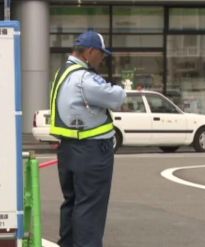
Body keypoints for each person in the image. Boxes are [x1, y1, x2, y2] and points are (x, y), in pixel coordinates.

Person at [49, 30, 126, 247]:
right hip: (91, 152)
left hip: (68, 149)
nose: (102, 59)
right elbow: (115, 97)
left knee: (72, 204)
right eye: (101, 54)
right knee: (90, 208)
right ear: (90, 51)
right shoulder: (84, 78)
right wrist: (120, 88)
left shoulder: (62, 72)